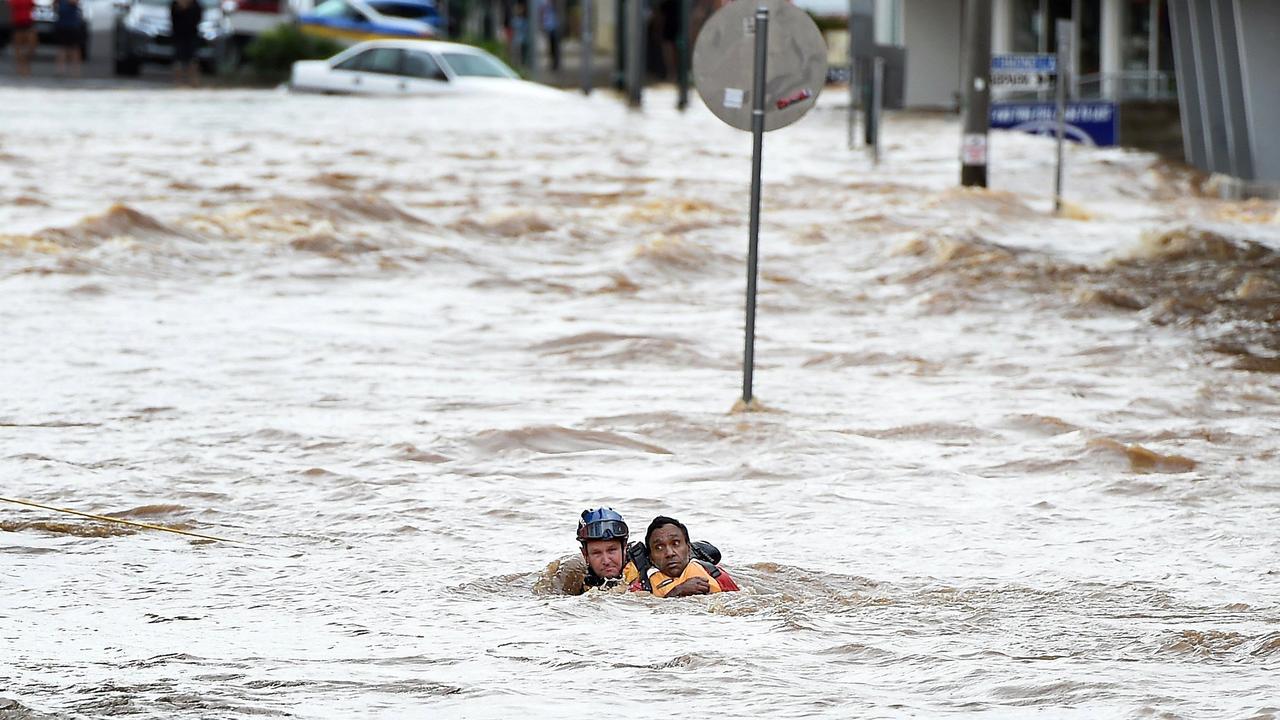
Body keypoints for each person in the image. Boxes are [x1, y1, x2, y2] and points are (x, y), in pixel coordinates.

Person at [627, 516, 739, 597]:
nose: (670, 553)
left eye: (675, 543)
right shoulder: (642, 587)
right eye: (659, 547)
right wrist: (677, 591)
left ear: (688, 548)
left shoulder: (715, 574)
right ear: (651, 557)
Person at [170, 0, 202, 86]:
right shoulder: (175, 5)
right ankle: (178, 82)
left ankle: (193, 81)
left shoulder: (195, 5)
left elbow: (198, 19)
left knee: (193, 60)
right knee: (178, 60)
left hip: (192, 35)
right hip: (179, 35)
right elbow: (173, 20)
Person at [52, 0, 85, 77]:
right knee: (61, 48)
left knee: (74, 49)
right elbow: (54, 6)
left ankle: (76, 72)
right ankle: (60, 70)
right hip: (62, 25)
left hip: (72, 26)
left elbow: (74, 2)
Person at [10, 0, 37, 77]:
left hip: (28, 23)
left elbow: (33, 6)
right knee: (18, 46)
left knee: (31, 45)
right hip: (18, 23)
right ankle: (20, 66)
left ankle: (26, 64)